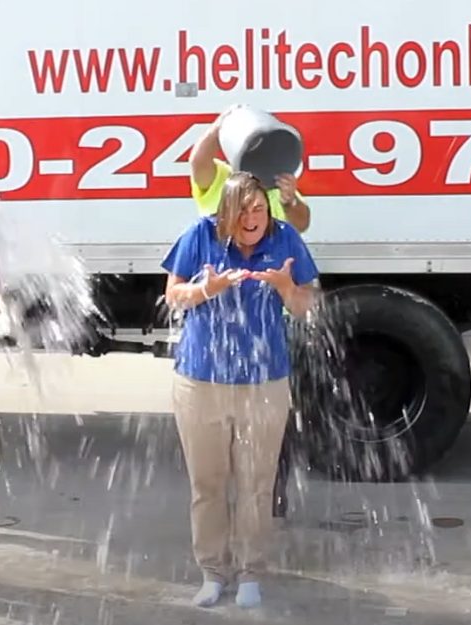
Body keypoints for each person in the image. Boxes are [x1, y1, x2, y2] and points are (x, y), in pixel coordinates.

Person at [163, 172, 319, 609]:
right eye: (244, 210)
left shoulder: (285, 238)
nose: (252, 218)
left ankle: (251, 571)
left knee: (256, 484)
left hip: (264, 381)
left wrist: (288, 288)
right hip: (200, 380)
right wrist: (204, 289)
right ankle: (213, 572)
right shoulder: (199, 235)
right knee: (207, 484)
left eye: (259, 209)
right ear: (226, 212)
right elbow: (173, 296)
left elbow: (307, 305)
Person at [188, 105, 313, 519]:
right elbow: (198, 161)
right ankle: (223, 508)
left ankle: (268, 498)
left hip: (267, 324)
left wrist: (291, 199)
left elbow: (303, 220)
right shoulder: (221, 181)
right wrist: (220, 125)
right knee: (219, 430)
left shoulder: (275, 183)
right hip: (217, 334)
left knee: (269, 420)